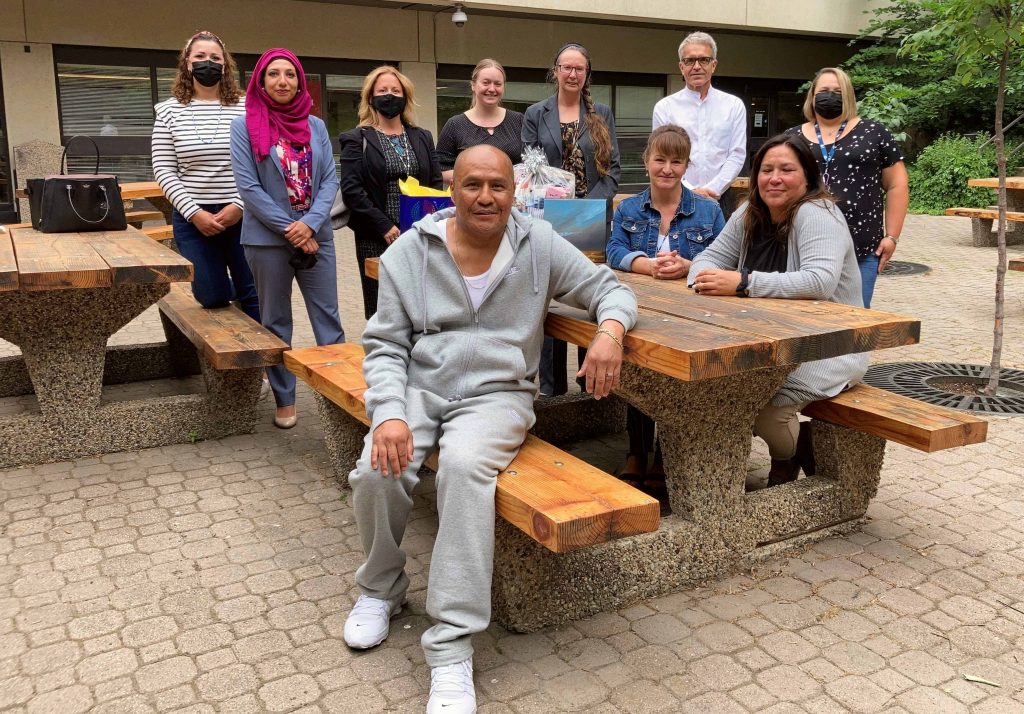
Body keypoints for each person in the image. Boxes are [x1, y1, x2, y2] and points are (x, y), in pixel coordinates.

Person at [342, 145, 637, 714]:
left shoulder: (539, 244)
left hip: (497, 398)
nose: (485, 197)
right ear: (452, 191)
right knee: (377, 471)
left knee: (463, 469)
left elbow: (613, 289)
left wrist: (611, 332)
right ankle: (381, 588)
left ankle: (450, 648)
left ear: (514, 192)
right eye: (472, 185)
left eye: (498, 186)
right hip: (419, 389)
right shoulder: (412, 251)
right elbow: (383, 346)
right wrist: (391, 413)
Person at [688, 134, 868, 487]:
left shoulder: (817, 213)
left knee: (763, 405)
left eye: (786, 169)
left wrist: (743, 283)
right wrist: (701, 278)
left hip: (831, 345)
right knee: (720, 391)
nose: (774, 178)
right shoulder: (749, 212)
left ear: (808, 177)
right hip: (773, 340)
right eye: (766, 169)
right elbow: (707, 259)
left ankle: (791, 457)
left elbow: (819, 282)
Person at [229, 48, 345, 429]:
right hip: (267, 239)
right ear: (260, 81)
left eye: (290, 74)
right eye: (274, 74)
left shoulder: (316, 126)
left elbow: (329, 179)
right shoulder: (244, 126)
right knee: (276, 321)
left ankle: (340, 393)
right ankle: (284, 397)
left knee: (328, 319)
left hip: (317, 235)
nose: (283, 81)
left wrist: (310, 224)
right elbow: (248, 187)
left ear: (299, 82)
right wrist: (290, 229)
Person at [606, 124, 724, 495]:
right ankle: (637, 452)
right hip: (642, 307)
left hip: (693, 313)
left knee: (675, 379)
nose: (667, 169)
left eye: (676, 161)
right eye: (660, 159)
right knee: (640, 373)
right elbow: (613, 250)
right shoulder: (627, 208)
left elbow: (724, 256)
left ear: (687, 165)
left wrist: (690, 266)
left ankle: (665, 454)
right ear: (646, 162)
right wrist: (647, 265)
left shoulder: (708, 210)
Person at [523, 42, 621, 397]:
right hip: (546, 220)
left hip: (591, 221)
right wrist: (557, 207)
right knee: (549, 299)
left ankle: (589, 385)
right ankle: (552, 390)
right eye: (566, 67)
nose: (572, 74)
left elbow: (612, 170)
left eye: (579, 68)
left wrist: (585, 211)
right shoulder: (536, 113)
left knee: (587, 300)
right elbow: (529, 171)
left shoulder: (602, 114)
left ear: (586, 74)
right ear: (555, 71)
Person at [152, 31, 258, 323]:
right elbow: (163, 168)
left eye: (215, 58)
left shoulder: (247, 107)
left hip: (242, 214)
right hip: (194, 219)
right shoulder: (168, 111)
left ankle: (266, 365)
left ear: (225, 65)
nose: (207, 63)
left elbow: (260, 162)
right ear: (187, 63)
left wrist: (240, 205)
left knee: (254, 293)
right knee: (211, 295)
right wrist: (194, 213)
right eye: (200, 57)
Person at [785, 66, 908, 308]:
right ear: (812, 96)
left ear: (849, 96)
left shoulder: (874, 133)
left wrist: (892, 236)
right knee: (804, 319)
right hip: (804, 245)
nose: (830, 96)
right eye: (824, 90)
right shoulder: (792, 138)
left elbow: (897, 184)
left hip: (861, 248)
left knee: (854, 324)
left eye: (837, 91)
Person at [339, 65, 443, 319]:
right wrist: (384, 226)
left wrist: (424, 222)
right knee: (381, 309)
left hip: (417, 233)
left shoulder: (422, 137)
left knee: (419, 306)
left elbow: (435, 180)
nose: (389, 95)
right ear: (370, 97)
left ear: (405, 96)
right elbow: (352, 189)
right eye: (382, 90)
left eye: (396, 90)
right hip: (375, 235)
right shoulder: (356, 138)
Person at [652, 31, 746, 218]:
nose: (696, 66)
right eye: (689, 61)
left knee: (722, 248)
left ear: (714, 65)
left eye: (703, 60)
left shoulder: (733, 105)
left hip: (721, 197)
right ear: (681, 67)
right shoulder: (665, 108)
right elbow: (661, 156)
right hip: (675, 196)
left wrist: (712, 189)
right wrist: (691, 190)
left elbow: (736, 154)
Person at [436, 59, 524, 187]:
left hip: (512, 200)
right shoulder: (455, 125)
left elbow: (530, 165)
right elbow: (439, 170)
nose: (492, 89)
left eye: (498, 84)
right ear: (473, 85)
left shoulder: (518, 121)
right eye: (486, 83)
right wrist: (477, 177)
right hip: (469, 201)